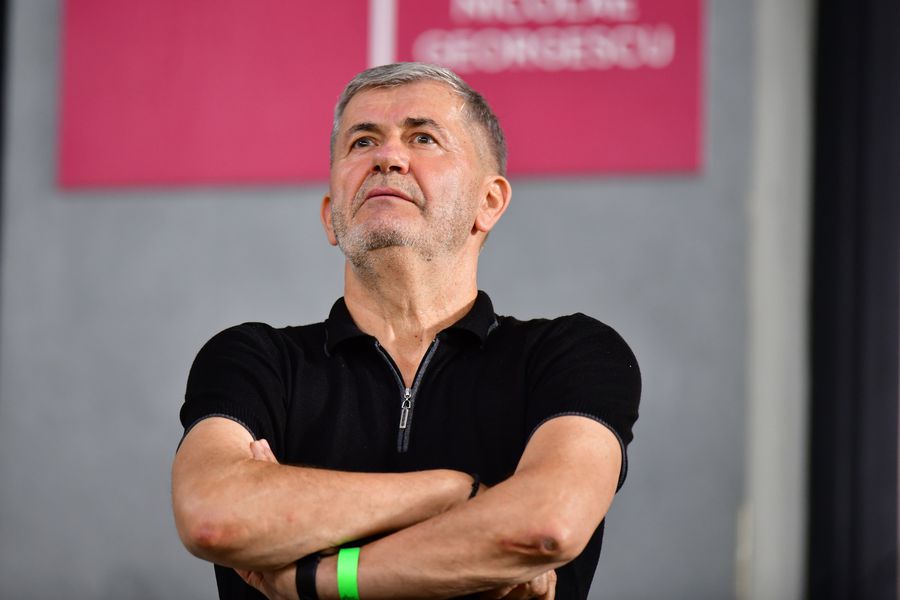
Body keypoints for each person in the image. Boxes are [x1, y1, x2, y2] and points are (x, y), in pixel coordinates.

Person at [171, 62, 640, 600]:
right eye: (362, 142)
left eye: (423, 138)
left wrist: (316, 577)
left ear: (488, 202)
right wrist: (452, 493)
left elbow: (545, 524)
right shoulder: (254, 359)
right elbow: (215, 516)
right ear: (331, 214)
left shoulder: (572, 354)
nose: (387, 158)